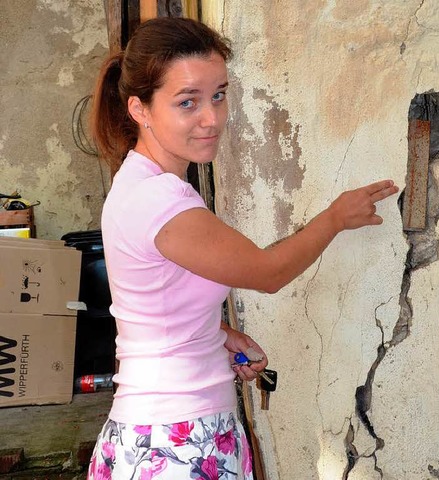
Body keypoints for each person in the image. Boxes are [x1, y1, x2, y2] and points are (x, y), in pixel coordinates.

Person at [87, 16, 398, 480]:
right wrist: (335, 218)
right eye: (187, 102)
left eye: (219, 94)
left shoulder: (139, 182)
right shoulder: (160, 200)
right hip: (177, 441)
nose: (212, 118)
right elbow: (266, 272)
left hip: (164, 431)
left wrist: (218, 334)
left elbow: (154, 302)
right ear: (140, 109)